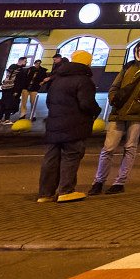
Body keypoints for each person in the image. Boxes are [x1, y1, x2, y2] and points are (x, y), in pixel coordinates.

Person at [90, 42, 140, 196]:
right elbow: (115, 85)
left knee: (129, 147)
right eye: (139, 50)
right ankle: (98, 182)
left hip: (138, 112)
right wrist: (112, 97)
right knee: (108, 148)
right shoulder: (129, 66)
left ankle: (120, 182)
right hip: (119, 111)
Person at [36, 49, 101, 203]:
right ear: (88, 63)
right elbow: (86, 103)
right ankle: (66, 190)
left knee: (51, 158)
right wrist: (96, 111)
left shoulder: (57, 78)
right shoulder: (83, 80)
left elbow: (48, 101)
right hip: (75, 125)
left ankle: (45, 194)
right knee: (71, 156)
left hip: (54, 123)